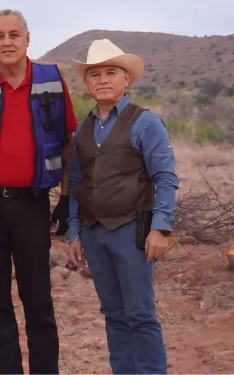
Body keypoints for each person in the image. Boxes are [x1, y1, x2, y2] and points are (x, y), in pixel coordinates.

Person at [0, 8, 78, 374]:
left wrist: (67, 197)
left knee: (38, 300)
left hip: (31, 206)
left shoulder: (52, 81)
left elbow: (68, 141)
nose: (7, 42)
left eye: (13, 35)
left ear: (27, 39)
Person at [66, 38, 177, 374]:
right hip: (94, 233)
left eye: (111, 72)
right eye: (95, 73)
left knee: (141, 315)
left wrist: (160, 228)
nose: (103, 79)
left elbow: (165, 178)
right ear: (87, 81)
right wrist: (75, 233)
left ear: (126, 78)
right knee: (113, 314)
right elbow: (75, 184)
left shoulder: (145, 122)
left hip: (131, 232)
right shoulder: (82, 130)